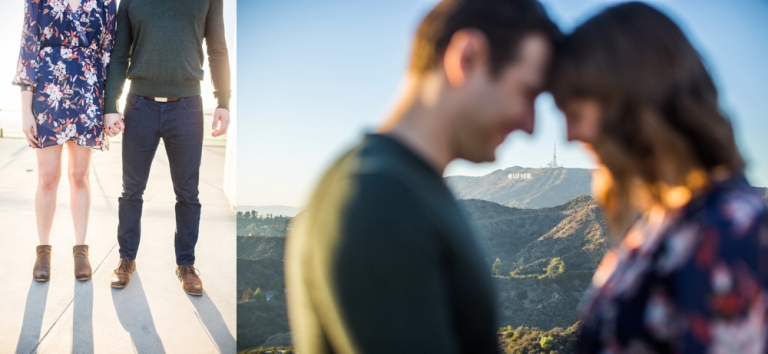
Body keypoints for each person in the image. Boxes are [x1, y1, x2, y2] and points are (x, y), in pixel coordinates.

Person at [284, 0, 560, 352]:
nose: (530, 124)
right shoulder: (379, 198)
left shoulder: (397, 185)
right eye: (528, 93)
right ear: (468, 58)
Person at [549, 2, 768, 353]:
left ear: (631, 102)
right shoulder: (666, 224)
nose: (570, 135)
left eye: (575, 113)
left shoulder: (730, 231)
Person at [103, 0, 231, 295]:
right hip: (139, 106)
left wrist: (223, 101)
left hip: (187, 109)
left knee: (188, 192)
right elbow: (120, 54)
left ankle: (186, 264)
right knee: (131, 189)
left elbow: (217, 49)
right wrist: (111, 104)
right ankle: (126, 259)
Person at [13, 0, 116, 282]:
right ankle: (43, 251)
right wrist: (26, 111)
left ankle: (81, 251)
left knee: (79, 176)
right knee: (48, 177)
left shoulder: (105, 2)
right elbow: (28, 51)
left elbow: (110, 53)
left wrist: (109, 106)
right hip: (47, 95)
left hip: (88, 94)